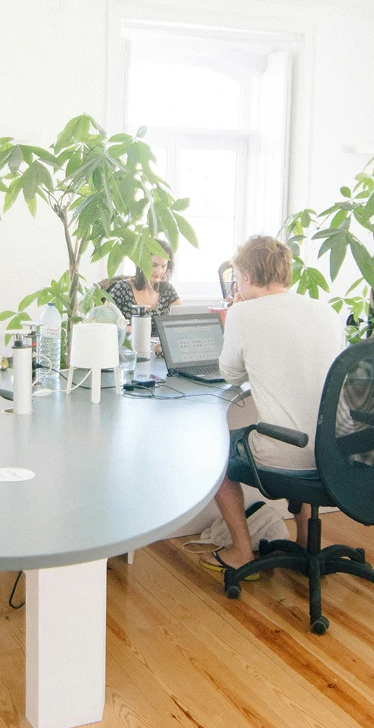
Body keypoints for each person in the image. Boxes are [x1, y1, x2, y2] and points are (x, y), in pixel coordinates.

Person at [202, 235, 345, 573]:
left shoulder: (243, 313)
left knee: (216, 455)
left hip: (287, 453)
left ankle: (241, 551)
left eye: (238, 277)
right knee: (302, 424)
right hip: (335, 451)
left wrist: (237, 318)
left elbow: (231, 374)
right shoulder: (326, 311)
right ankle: (305, 541)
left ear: (248, 276)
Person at [106, 239, 180, 332]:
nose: (159, 271)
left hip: (159, 341)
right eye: (154, 265)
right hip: (131, 340)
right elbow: (104, 320)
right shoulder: (122, 288)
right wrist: (130, 329)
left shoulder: (167, 289)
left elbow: (183, 318)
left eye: (163, 266)